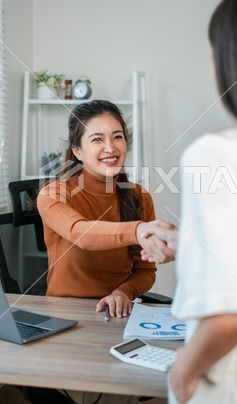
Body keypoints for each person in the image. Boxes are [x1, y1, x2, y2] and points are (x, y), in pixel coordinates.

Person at [142, 0, 237, 403]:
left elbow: (233, 311)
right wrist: (193, 242)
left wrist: (183, 371)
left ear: (224, 63)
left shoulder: (215, 154)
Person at [37, 100, 175, 320]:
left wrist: (122, 293)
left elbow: (146, 270)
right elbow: (79, 232)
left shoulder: (140, 197)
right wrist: (138, 230)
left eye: (117, 137)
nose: (110, 148)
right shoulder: (53, 195)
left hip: (117, 314)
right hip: (64, 314)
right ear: (78, 151)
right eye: (97, 139)